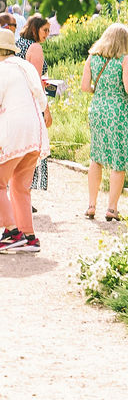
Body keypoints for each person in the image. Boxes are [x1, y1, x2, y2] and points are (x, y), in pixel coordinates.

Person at [79, 21, 128, 221]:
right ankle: (112, 208)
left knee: (96, 157)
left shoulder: (92, 58)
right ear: (123, 42)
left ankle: (91, 205)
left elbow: (85, 88)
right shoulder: (124, 60)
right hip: (118, 112)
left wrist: (102, 91)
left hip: (97, 110)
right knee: (117, 159)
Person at [0, 27, 50, 253]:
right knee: (20, 187)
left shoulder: (2, 70)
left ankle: (12, 232)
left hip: (15, 130)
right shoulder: (25, 67)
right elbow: (41, 99)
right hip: (35, 130)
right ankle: (29, 236)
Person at [16, 13, 51, 192]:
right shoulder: (35, 48)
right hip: (31, 103)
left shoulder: (18, 45)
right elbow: (36, 83)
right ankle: (25, 192)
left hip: (15, 100)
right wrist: (46, 109)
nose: (47, 34)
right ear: (34, 29)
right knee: (33, 148)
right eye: (45, 30)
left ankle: (16, 192)